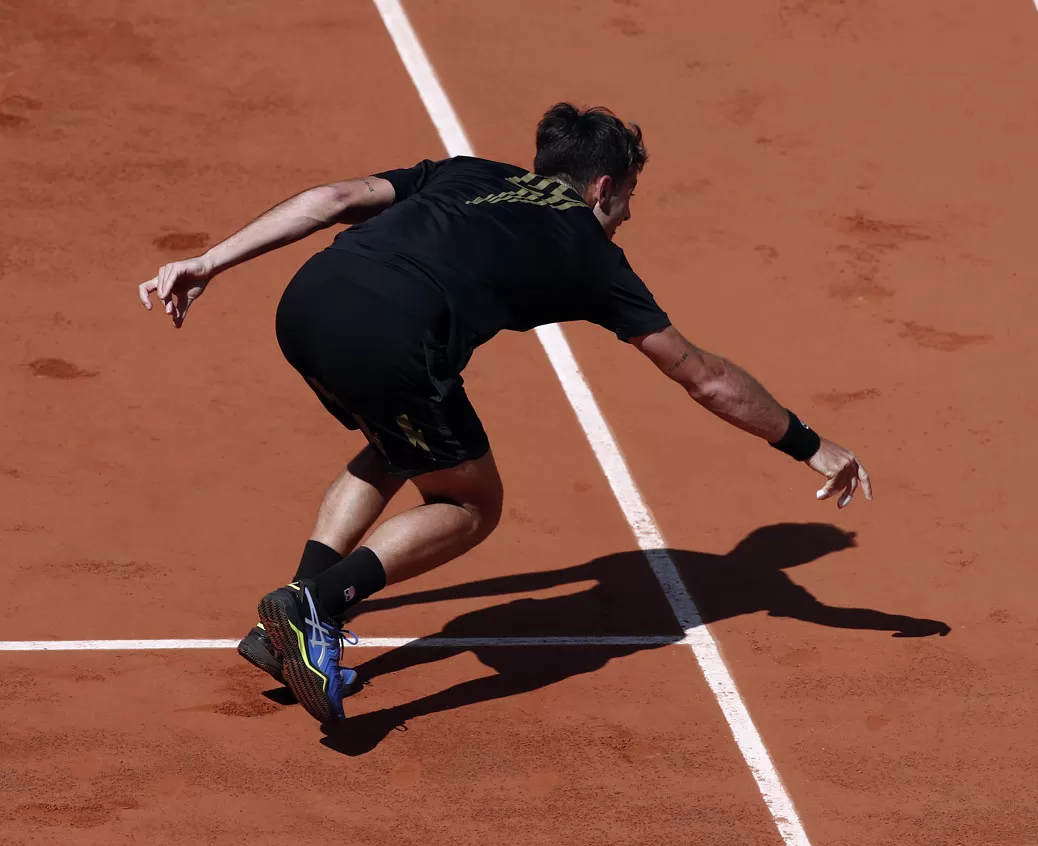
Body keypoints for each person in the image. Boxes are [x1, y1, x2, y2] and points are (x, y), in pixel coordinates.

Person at [135, 103, 872, 726]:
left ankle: (287, 627)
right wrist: (808, 443)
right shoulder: (592, 255)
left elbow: (331, 201)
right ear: (602, 186)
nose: (628, 216)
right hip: (392, 334)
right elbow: (703, 377)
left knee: (399, 443)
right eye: (628, 198)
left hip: (308, 300)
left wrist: (210, 260)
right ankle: (316, 605)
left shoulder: (470, 172)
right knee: (470, 499)